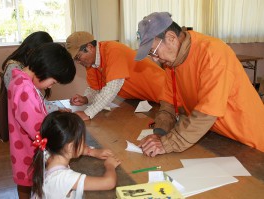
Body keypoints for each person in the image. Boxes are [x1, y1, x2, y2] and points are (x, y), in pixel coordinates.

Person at [135, 12, 264, 156]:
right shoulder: (172, 62)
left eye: (154, 52)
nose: (155, 60)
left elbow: (206, 114)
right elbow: (168, 104)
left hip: (249, 141)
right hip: (219, 137)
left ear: (171, 38)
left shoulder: (213, 53)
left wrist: (167, 144)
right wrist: (159, 133)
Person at [7, 42, 76, 199]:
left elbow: (33, 113)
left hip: (24, 148)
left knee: (27, 185)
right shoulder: (24, 89)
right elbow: (38, 129)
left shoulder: (20, 80)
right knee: (32, 185)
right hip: (29, 152)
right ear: (45, 69)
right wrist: (61, 144)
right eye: (53, 82)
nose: (50, 86)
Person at [65, 31, 171, 123]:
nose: (78, 62)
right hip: (145, 99)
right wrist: (86, 98)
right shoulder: (92, 64)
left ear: (89, 47)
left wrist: (88, 113)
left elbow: (112, 88)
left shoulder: (113, 50)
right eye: (76, 60)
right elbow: (95, 89)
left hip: (165, 91)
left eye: (78, 57)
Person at [30, 111, 121, 199]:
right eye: (82, 140)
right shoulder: (64, 178)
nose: (84, 143)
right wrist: (110, 165)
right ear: (70, 147)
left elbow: (75, 149)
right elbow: (109, 183)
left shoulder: (48, 152)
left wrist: (91, 151)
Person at [2, 31, 60, 113]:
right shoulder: (14, 69)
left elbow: (36, 97)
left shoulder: (23, 67)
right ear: (32, 50)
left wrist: (55, 108)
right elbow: (31, 103)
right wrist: (56, 109)